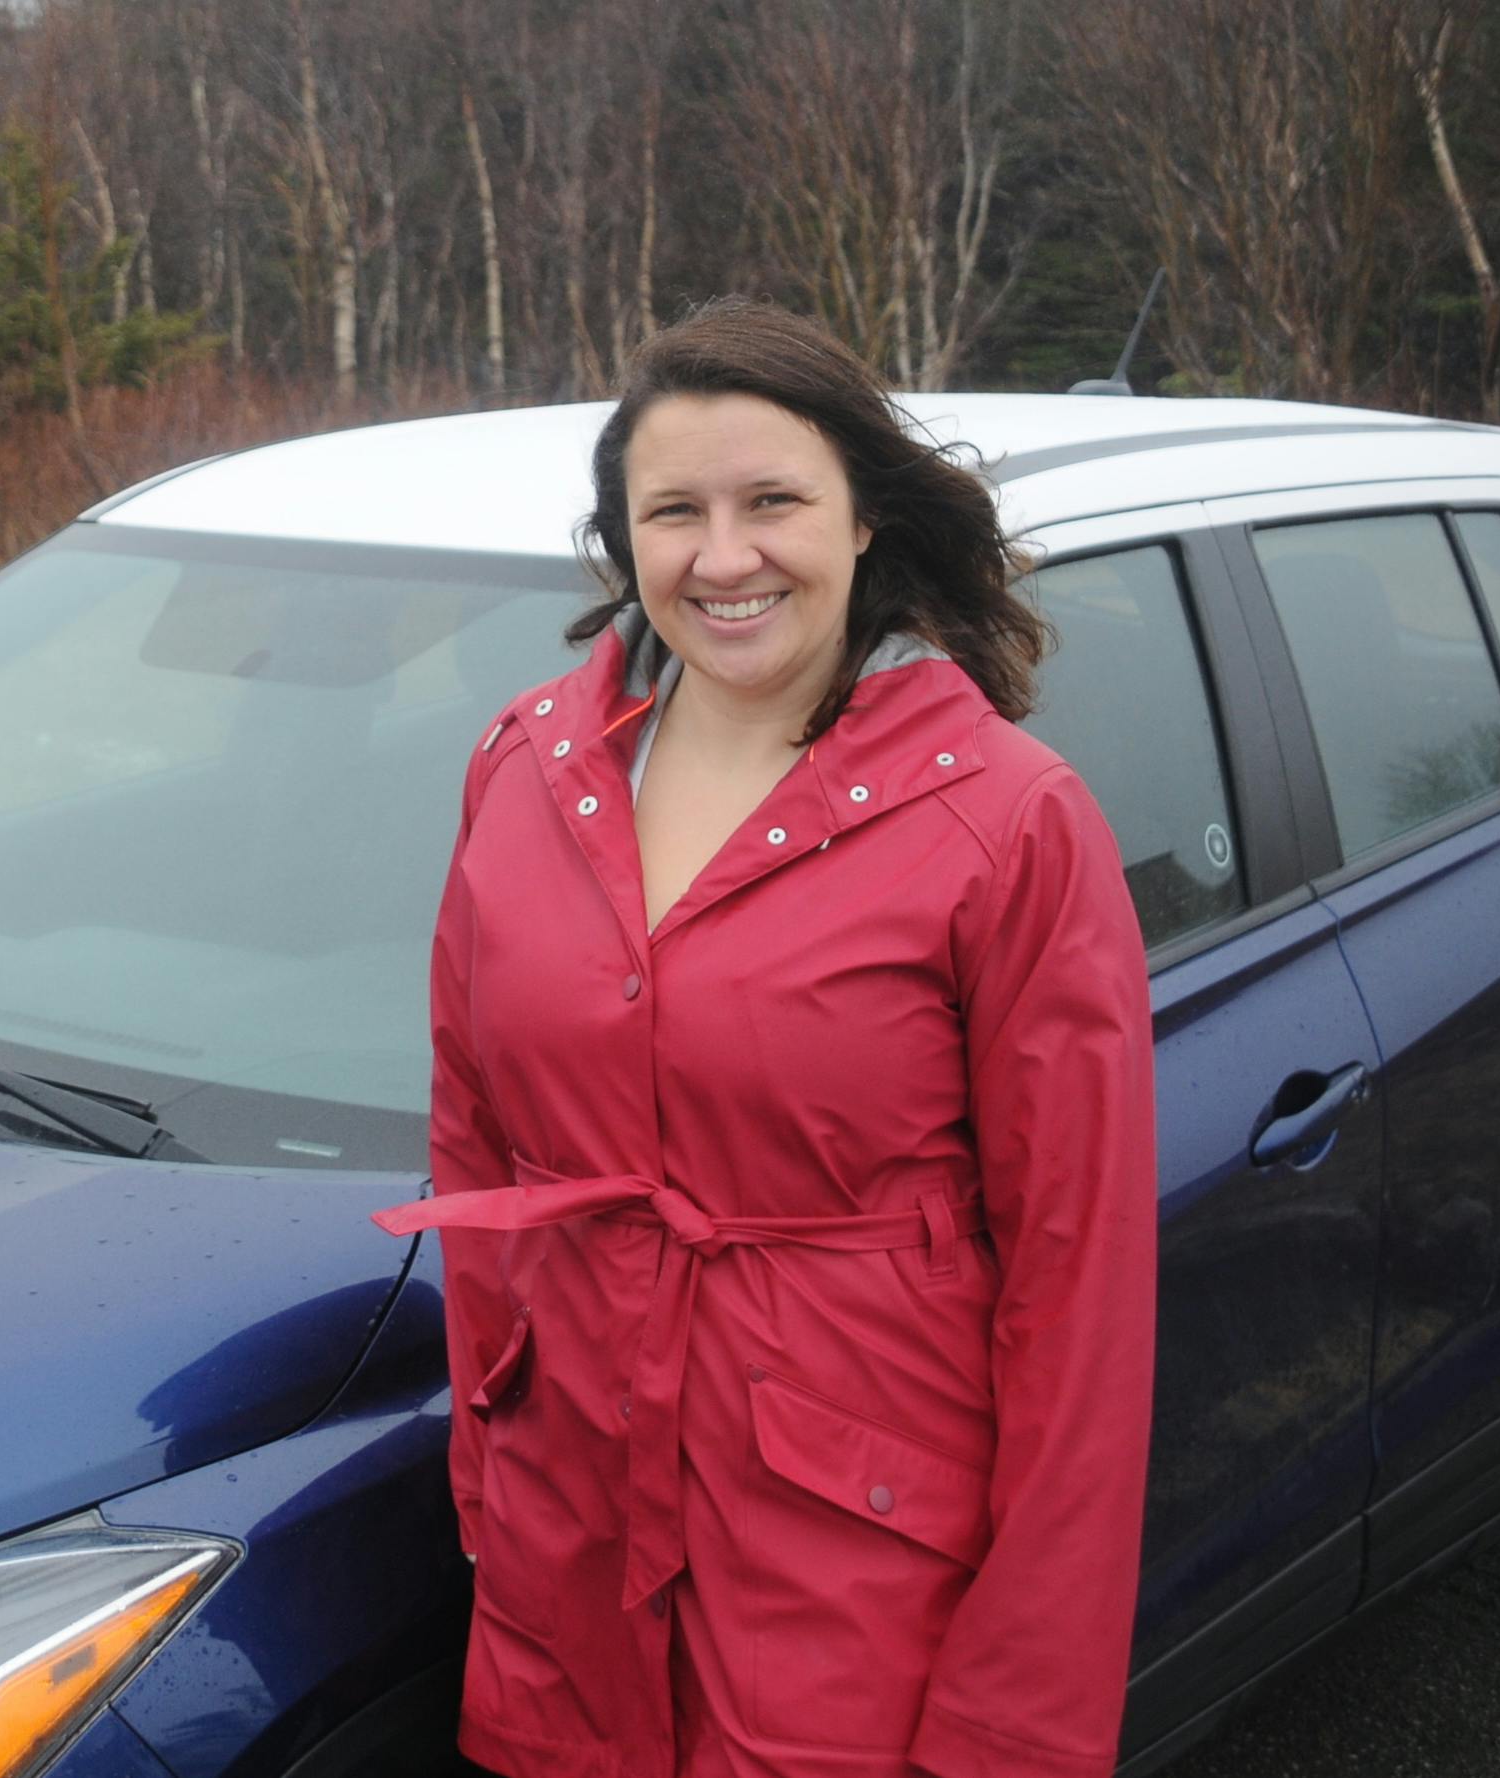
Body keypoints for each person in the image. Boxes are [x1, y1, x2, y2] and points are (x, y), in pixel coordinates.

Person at [375, 298, 1157, 1778]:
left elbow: (1080, 1298)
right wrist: (495, 1468)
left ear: (865, 518)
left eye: (773, 501)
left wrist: (1016, 1720)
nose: (722, 556)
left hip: (853, 1562)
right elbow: (476, 1142)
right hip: (573, 1545)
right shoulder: (529, 767)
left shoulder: (1005, 818)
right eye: (674, 510)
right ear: (624, 539)